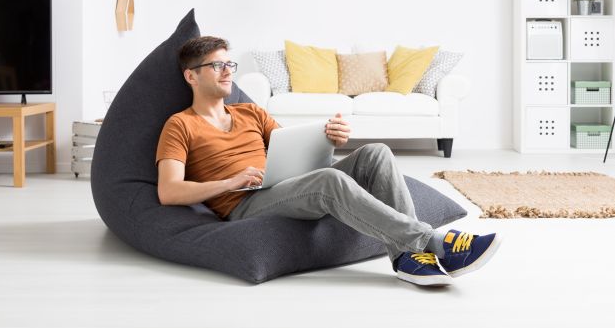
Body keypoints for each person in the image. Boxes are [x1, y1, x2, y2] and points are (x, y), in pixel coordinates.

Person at [156, 36, 502, 287]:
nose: (227, 71)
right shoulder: (180, 124)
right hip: (243, 203)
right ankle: (434, 242)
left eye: (228, 64)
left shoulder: (250, 112)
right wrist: (230, 182)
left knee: (375, 152)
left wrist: (328, 142)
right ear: (192, 76)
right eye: (216, 65)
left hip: (280, 185)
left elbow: (289, 152)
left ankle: (407, 259)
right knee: (328, 182)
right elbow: (169, 192)